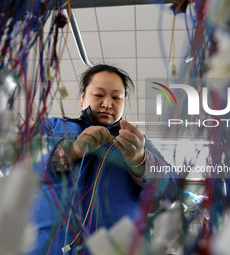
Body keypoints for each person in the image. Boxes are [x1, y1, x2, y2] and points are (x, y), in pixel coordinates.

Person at [25, 64, 171, 255]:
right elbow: (17, 162)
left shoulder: (137, 142)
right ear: (82, 97)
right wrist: (71, 151)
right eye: (99, 95)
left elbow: (171, 189)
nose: (108, 103)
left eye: (116, 97)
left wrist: (140, 161)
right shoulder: (52, 128)